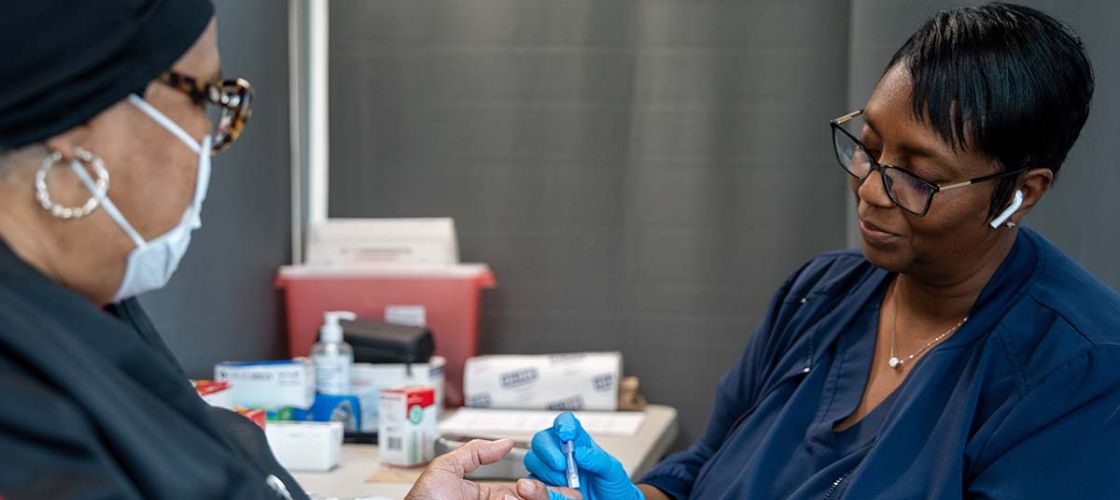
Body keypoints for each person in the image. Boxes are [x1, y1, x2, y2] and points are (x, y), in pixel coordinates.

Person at [523, 3, 1120, 499]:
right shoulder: (820, 296)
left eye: (918, 178)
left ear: (1019, 192)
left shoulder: (1079, 370)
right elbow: (704, 468)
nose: (869, 189)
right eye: (869, 148)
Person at [0, 2, 565, 499]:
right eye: (205, 97)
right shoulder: (21, 416)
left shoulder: (95, 314)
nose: (207, 139)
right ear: (80, 122)